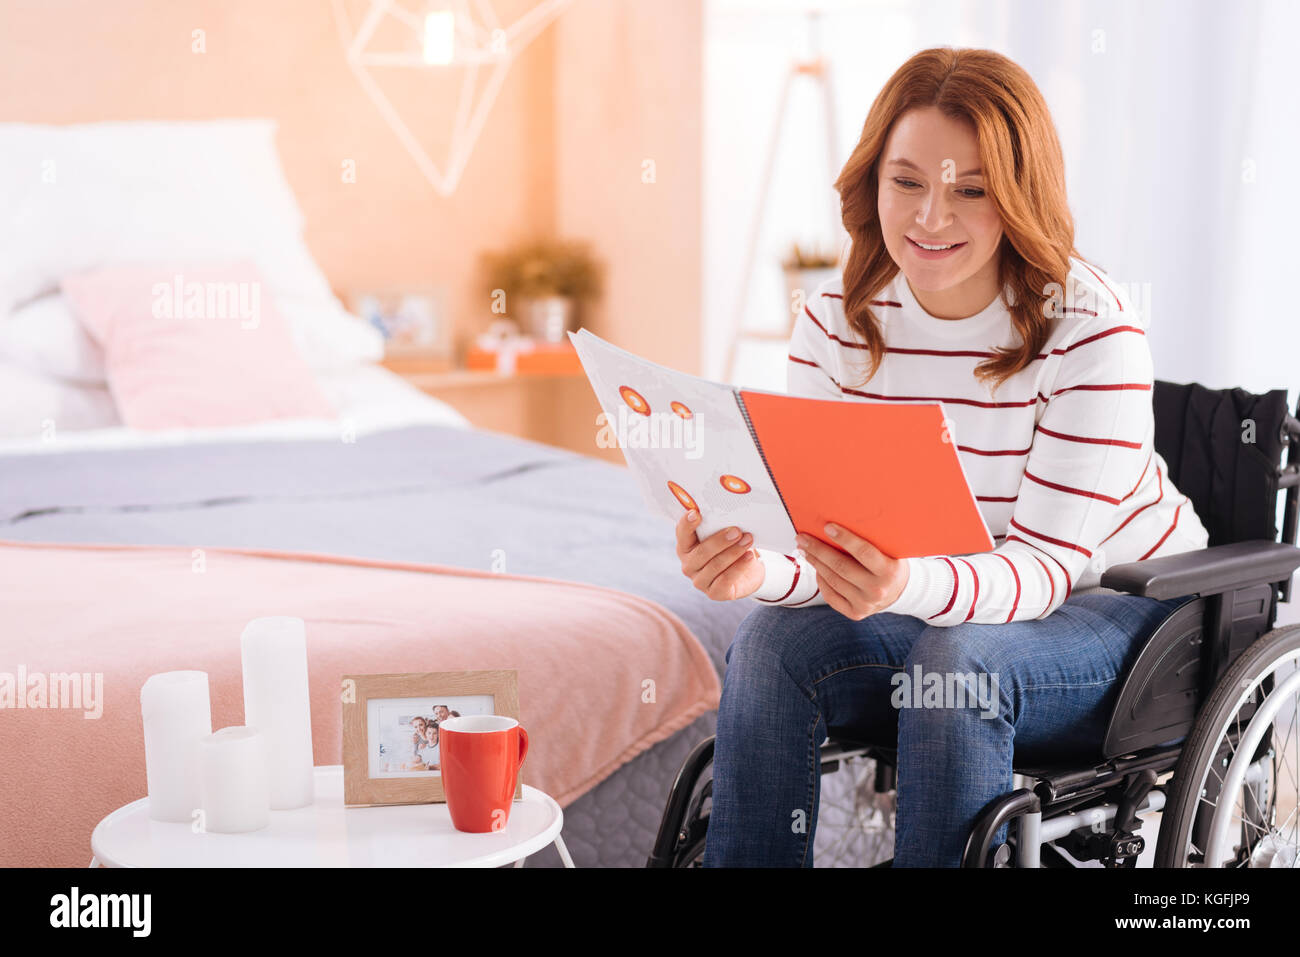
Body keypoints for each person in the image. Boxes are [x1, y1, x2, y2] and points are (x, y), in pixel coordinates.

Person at [677, 46, 1208, 867]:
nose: (930, 218)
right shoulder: (837, 321)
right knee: (772, 643)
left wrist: (905, 584)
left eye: (970, 191)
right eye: (908, 181)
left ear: (1019, 198)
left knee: (957, 662)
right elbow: (827, 543)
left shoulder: (1092, 329)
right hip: (939, 600)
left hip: (1116, 603)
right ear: (872, 181)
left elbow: (1044, 569)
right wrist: (759, 570)